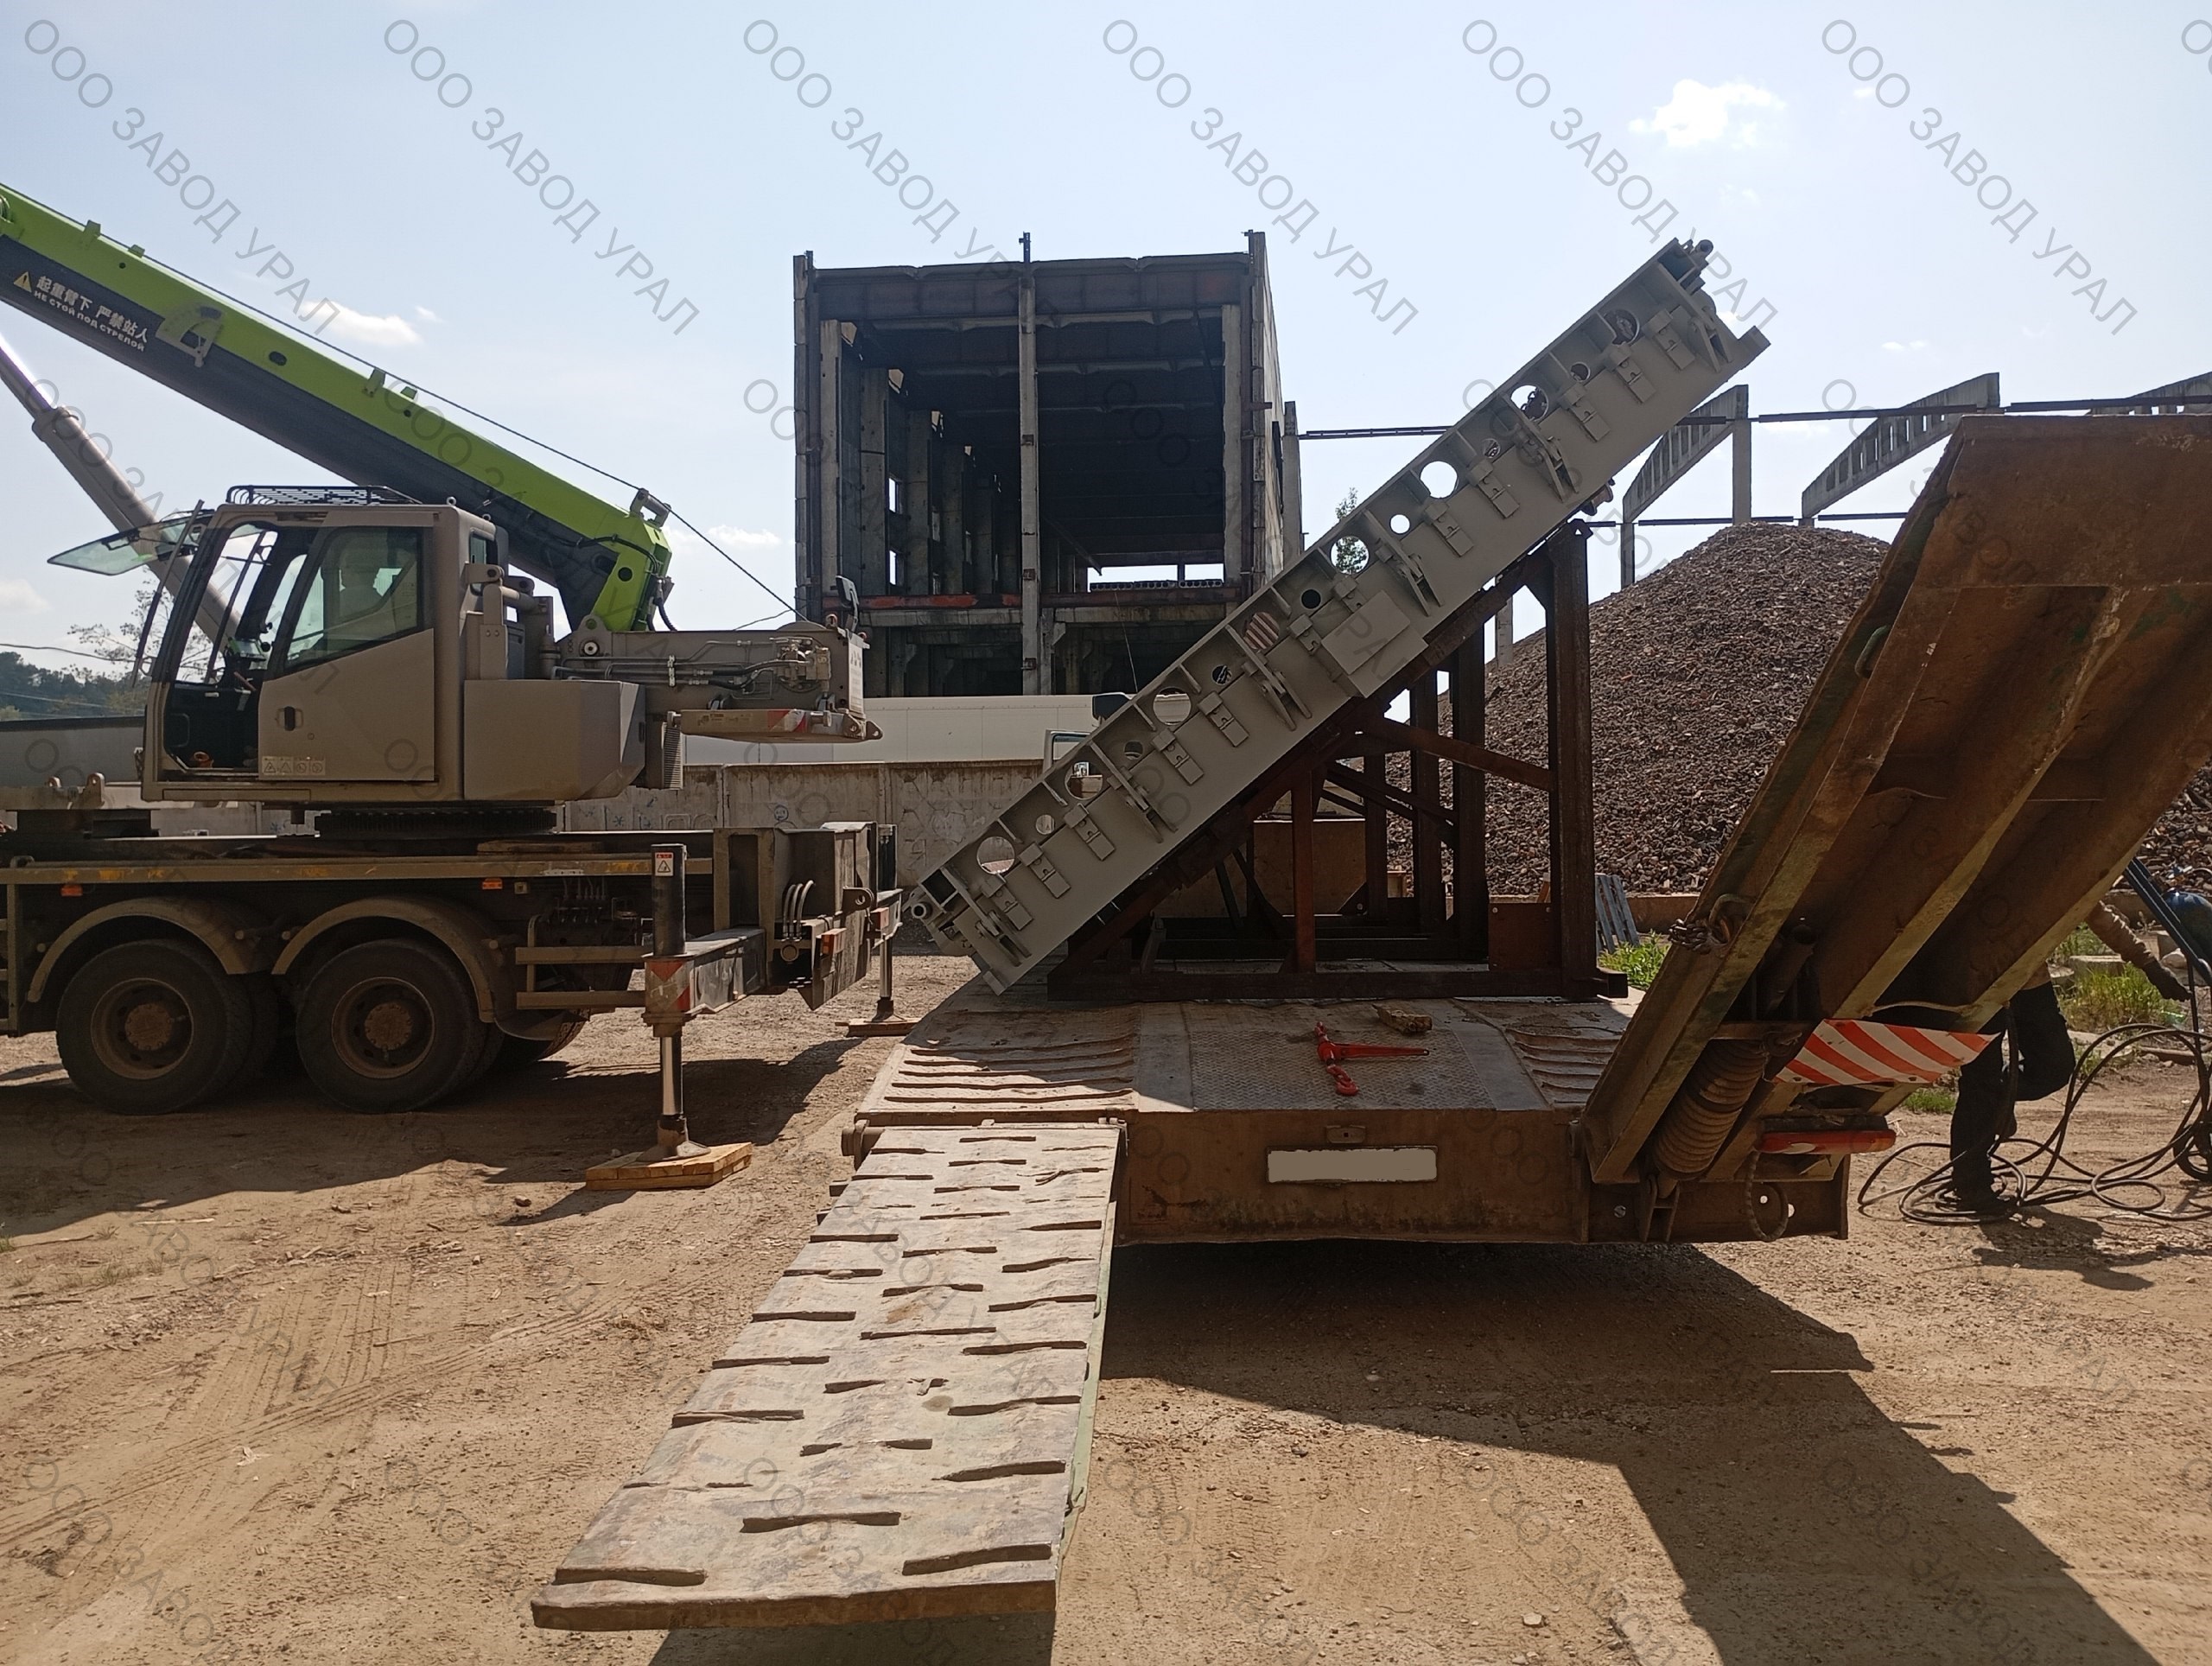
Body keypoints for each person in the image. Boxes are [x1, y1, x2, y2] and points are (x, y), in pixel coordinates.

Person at [1948, 970, 2074, 1213]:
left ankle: (2001, 1091)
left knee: (2054, 1067)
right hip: (1974, 977)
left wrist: (2146, 962)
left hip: (2028, 973)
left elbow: (2112, 934)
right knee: (1981, 1079)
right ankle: (1972, 1185)